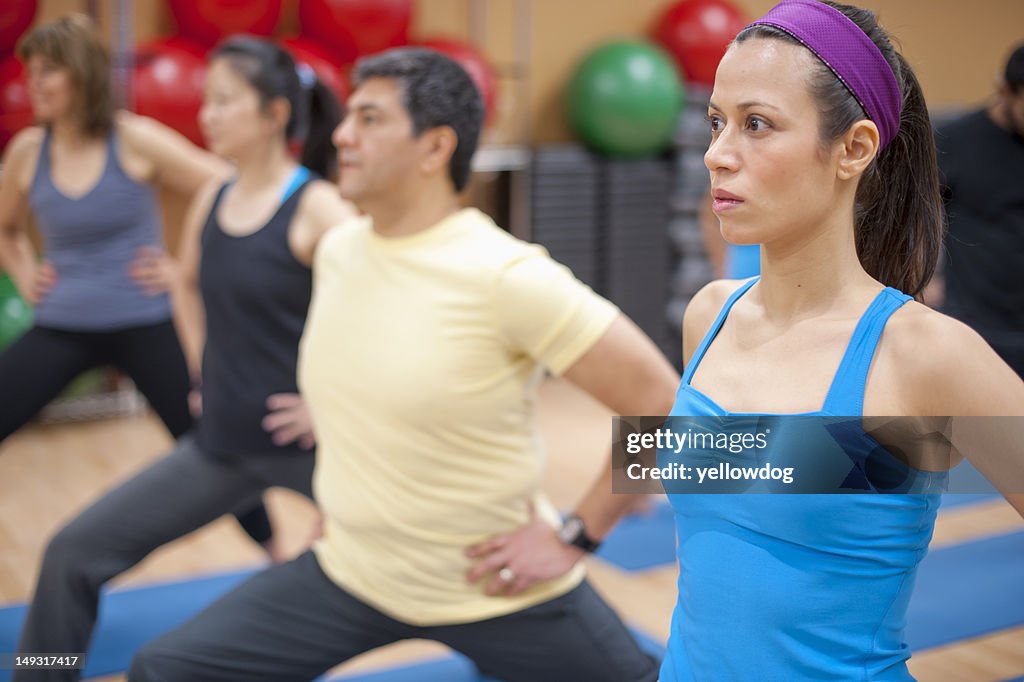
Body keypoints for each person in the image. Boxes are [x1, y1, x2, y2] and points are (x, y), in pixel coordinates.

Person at [126, 47, 679, 682]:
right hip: (351, 574)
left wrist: (576, 535)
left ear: (435, 147)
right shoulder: (338, 251)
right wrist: (335, 510)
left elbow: (662, 402)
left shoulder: (508, 275)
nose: (341, 135)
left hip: (494, 587)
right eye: (347, 117)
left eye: (369, 119)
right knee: (164, 669)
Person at [660, 1, 1024, 680]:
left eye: (757, 125)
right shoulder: (708, 317)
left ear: (854, 149)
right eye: (717, 123)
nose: (717, 154)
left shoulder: (923, 355)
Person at [14, 35, 351, 682]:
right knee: (72, 557)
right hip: (226, 444)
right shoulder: (216, 200)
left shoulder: (331, 218)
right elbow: (190, 284)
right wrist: (204, 371)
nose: (206, 116)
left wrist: (588, 526)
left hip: (328, 461)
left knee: (481, 580)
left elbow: (619, 399)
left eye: (224, 101)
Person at [0, 14, 277, 553]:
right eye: (29, 71)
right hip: (63, 322)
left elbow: (227, 186)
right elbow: (6, 226)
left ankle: (275, 551)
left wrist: (182, 267)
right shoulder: (29, 152)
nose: (32, 83)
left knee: (212, 439)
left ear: (80, 76)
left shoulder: (133, 138)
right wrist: (25, 271)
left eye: (47, 72)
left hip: (145, 321)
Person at [934, 42, 1024, 377]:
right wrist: (919, 279)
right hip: (977, 329)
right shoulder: (953, 140)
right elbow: (913, 217)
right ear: (1005, 91)